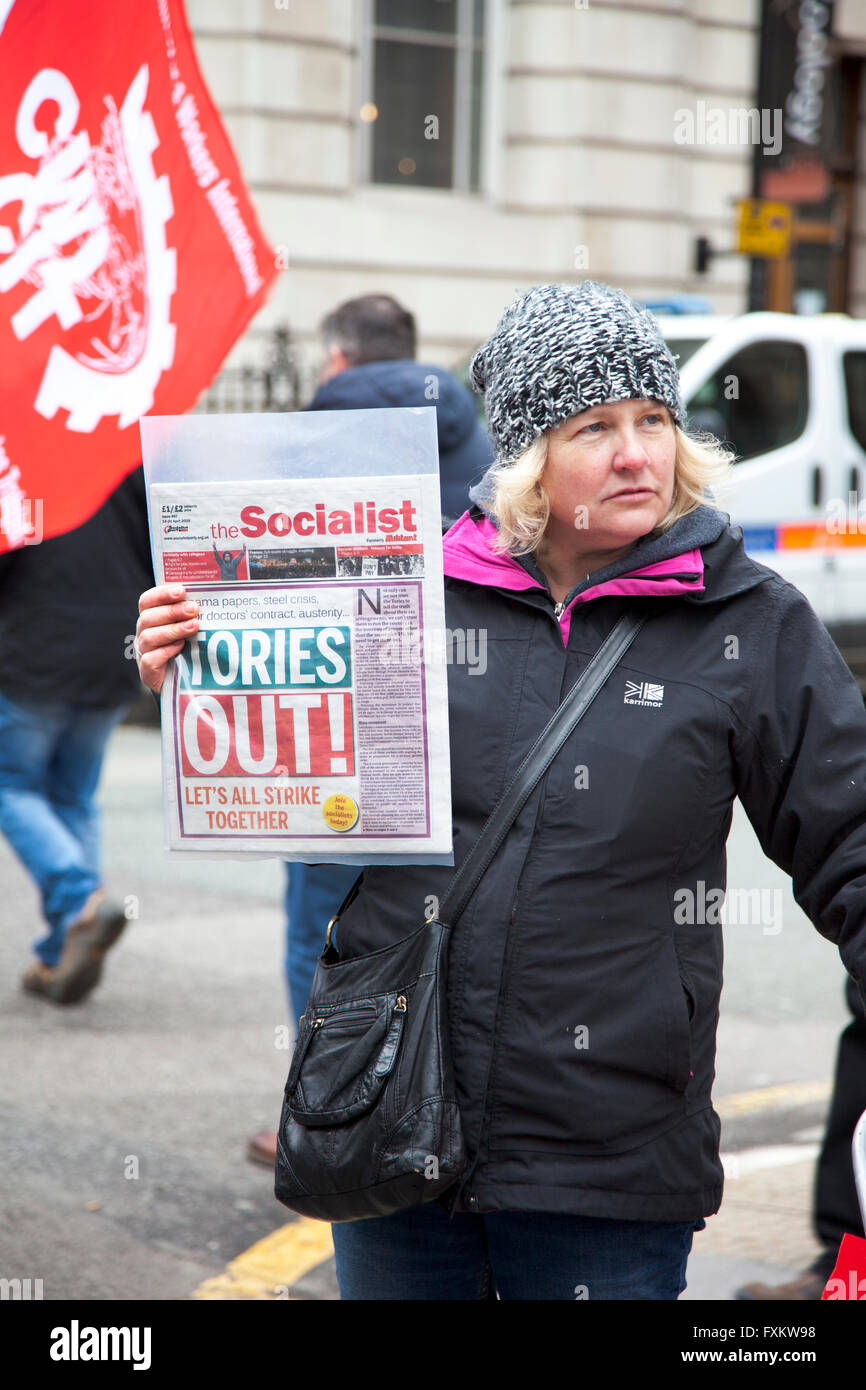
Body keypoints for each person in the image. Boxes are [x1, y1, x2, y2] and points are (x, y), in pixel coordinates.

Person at [135, 281, 866, 1300]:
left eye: (653, 420)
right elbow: (289, 758)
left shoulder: (749, 620)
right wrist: (199, 671)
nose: (636, 453)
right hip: (393, 1127)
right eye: (595, 427)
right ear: (525, 454)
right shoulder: (407, 589)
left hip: (604, 1164)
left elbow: (850, 838)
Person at [244, 292, 495, 1167]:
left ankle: (326, 1110)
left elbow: (261, 581)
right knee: (435, 920)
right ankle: (433, 1103)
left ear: (340, 358)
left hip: (342, 725)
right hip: (461, 725)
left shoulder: (324, 427)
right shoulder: (478, 432)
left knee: (325, 924)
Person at [1, 466, 153, 1003]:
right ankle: (60, 949)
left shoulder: (22, 452)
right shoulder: (125, 452)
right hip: (114, 644)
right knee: (74, 797)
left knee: (11, 785)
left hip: (34, 650)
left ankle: (79, 898)